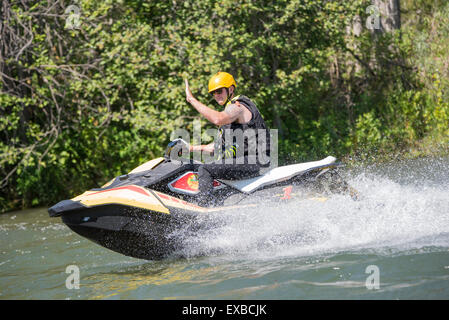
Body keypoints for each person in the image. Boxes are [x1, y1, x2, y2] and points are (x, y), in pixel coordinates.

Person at [184, 72, 270, 206]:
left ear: (230, 89)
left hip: (255, 161)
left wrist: (191, 99)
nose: (216, 95)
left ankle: (204, 207)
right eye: (213, 93)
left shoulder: (238, 107)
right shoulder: (230, 117)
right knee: (202, 167)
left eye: (219, 91)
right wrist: (189, 148)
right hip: (247, 162)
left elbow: (217, 118)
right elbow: (215, 147)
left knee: (205, 169)